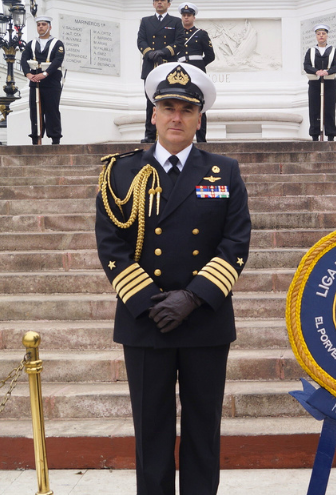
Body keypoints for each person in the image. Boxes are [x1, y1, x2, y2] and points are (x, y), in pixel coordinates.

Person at [95, 62, 251, 495]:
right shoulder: (120, 173)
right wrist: (151, 301)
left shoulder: (225, 171)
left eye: (186, 108)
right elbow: (111, 246)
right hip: (145, 321)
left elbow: (235, 244)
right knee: (151, 431)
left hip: (204, 320)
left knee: (205, 429)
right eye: (167, 107)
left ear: (200, 117)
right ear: (153, 114)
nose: (176, 117)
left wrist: (192, 298)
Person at [137, 0, 185, 143]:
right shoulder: (145, 21)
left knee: (169, 100)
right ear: (153, 4)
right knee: (150, 101)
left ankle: (167, 134)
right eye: (156, 0)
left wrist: (164, 51)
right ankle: (150, 134)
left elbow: (179, 42)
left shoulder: (176, 22)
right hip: (150, 66)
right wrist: (149, 52)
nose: (159, 3)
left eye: (162, 0)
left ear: (168, 4)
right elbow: (140, 41)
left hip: (168, 66)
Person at [20, 15, 64, 145]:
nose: (41, 27)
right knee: (35, 110)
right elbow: (23, 59)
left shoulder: (57, 44)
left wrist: (45, 73)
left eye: (44, 24)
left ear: (49, 27)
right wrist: (28, 74)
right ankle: (36, 138)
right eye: (39, 25)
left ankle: (55, 139)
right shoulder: (31, 44)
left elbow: (57, 61)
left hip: (51, 82)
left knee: (52, 110)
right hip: (35, 81)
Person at [177, 1, 215, 143]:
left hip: (197, 73)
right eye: (184, 15)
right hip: (181, 73)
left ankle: (201, 139)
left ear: (194, 17)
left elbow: (211, 55)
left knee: (199, 104)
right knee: (180, 103)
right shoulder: (177, 35)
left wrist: (198, 66)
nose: (186, 17)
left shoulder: (201, 34)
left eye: (189, 15)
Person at [304, 24, 336, 141]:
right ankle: (314, 136)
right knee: (314, 109)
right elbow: (306, 65)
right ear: (316, 36)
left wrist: (327, 72)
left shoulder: (334, 50)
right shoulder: (310, 51)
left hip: (329, 83)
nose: (321, 36)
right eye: (319, 34)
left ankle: (330, 136)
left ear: (327, 36)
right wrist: (317, 71)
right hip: (315, 83)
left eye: (323, 34)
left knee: (329, 109)